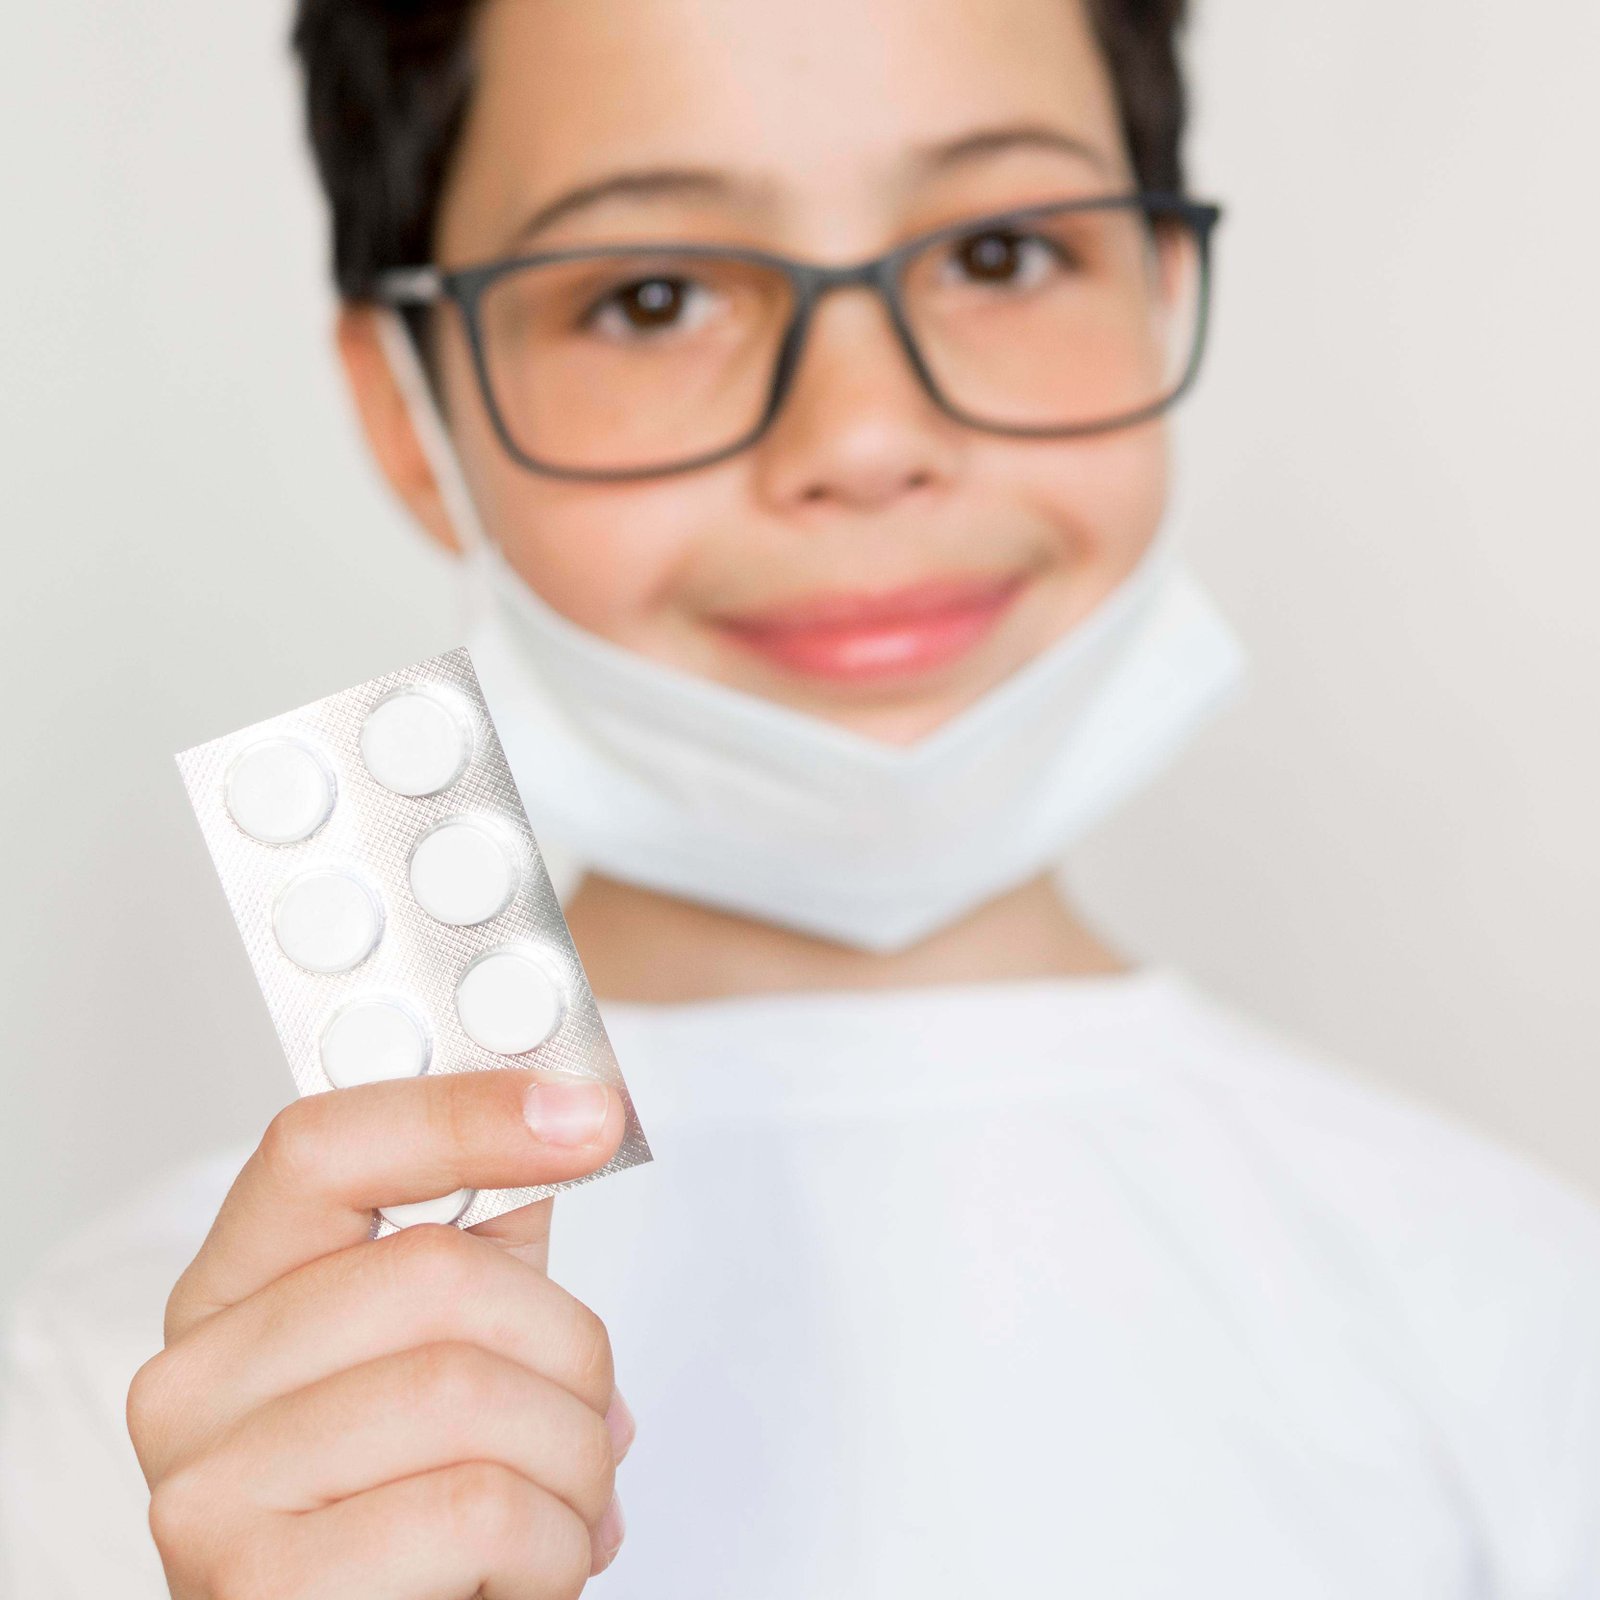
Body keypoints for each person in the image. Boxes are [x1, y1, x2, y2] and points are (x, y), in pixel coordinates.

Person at [3, 0, 1598, 1593]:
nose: (865, 436)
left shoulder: (1526, 1323)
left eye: (1001, 254)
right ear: (410, 415)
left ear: (1160, 286)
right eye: (653, 294)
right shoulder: (137, 1414)